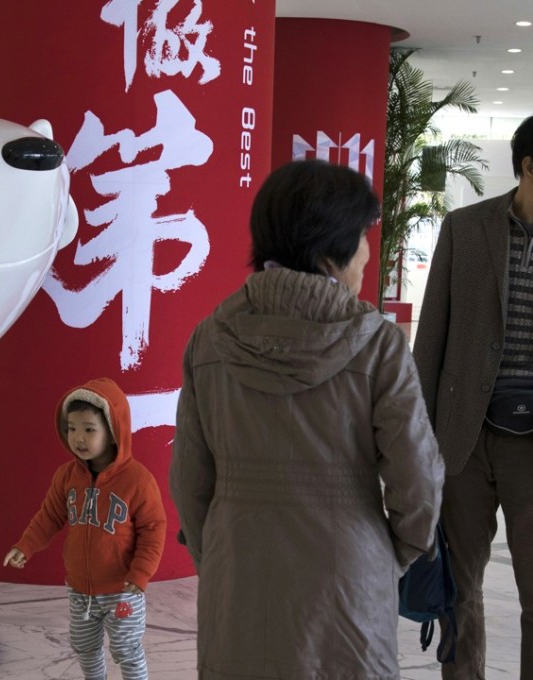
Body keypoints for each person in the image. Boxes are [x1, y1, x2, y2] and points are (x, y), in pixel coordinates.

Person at [171, 159, 444, 679]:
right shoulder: (379, 344)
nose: (368, 250)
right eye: (363, 234)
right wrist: (390, 556)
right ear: (328, 251)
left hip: (239, 568)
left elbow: (189, 480)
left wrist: (222, 551)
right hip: (349, 572)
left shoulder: (210, 338)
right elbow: (418, 481)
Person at [413, 108, 533, 680]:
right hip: (462, 439)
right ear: (529, 165)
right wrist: (417, 435)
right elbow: (432, 337)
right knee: (460, 589)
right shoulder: (465, 228)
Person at [3, 377, 166, 680]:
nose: (78, 438)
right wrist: (24, 546)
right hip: (80, 591)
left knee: (126, 649)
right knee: (84, 645)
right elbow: (49, 516)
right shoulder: (67, 476)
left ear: (113, 432)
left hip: (123, 590)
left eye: (89, 429)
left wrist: (141, 574)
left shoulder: (137, 480)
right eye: (71, 428)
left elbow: (153, 529)